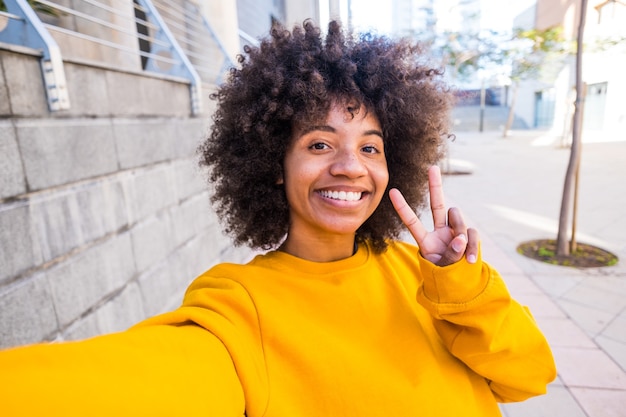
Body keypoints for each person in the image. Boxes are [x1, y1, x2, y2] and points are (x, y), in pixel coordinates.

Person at [0, 20, 555, 416]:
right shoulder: (241, 307)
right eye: (319, 144)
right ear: (273, 164)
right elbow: (133, 381)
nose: (348, 167)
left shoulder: (436, 279)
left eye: (370, 147)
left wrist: (459, 284)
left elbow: (529, 377)